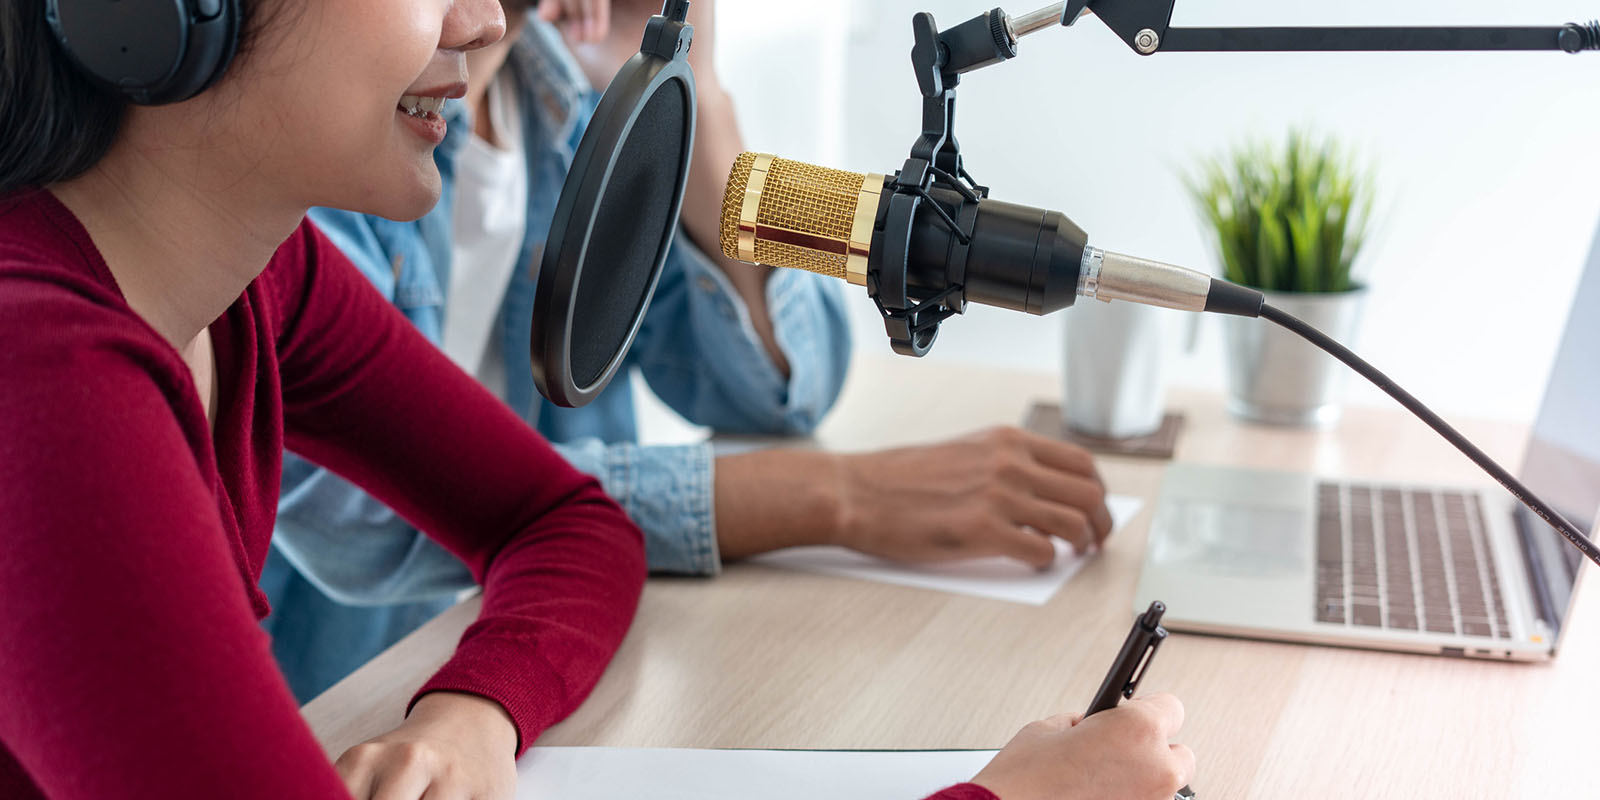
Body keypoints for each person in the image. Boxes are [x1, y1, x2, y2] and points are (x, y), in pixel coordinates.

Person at [0, 0, 1194, 797]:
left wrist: (478, 704)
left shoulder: (262, 280)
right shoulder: (40, 381)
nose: (483, 17)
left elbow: (566, 520)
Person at [264, 0, 1126, 706]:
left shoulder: (568, 106)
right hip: (353, 703)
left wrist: (700, 100)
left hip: (559, 664)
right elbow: (366, 517)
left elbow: (789, 389)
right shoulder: (322, 136)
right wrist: (839, 497)